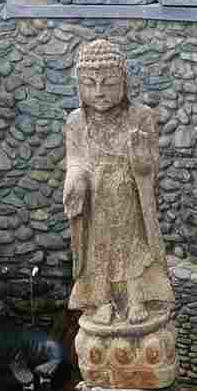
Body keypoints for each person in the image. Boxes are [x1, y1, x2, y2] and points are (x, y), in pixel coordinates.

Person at [63, 40, 174, 324]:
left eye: (108, 83)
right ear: (79, 86)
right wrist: (75, 180)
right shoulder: (76, 121)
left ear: (123, 82)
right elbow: (75, 159)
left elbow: (151, 165)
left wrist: (141, 163)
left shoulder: (141, 116)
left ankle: (137, 299)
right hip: (97, 200)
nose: (99, 92)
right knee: (99, 252)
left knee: (133, 248)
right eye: (90, 84)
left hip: (130, 198)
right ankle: (102, 301)